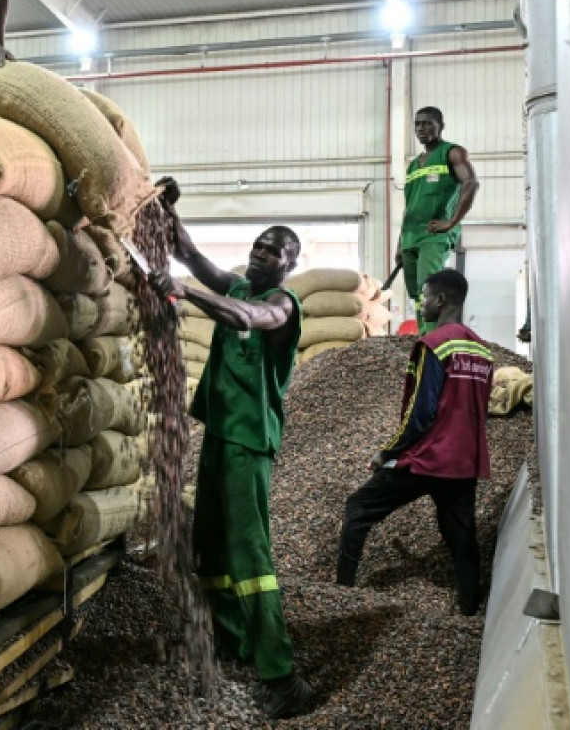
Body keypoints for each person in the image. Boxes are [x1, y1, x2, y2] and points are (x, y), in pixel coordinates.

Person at [149, 187, 317, 721]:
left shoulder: (281, 306)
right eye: (259, 245)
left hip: (249, 442)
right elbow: (190, 254)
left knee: (249, 556)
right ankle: (233, 641)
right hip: (221, 435)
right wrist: (166, 209)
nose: (260, 253)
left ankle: (282, 677)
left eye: (274, 251)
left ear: (290, 265)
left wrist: (185, 292)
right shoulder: (240, 284)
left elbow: (244, 318)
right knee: (212, 548)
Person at [335, 269, 493, 616]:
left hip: (429, 457)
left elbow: (420, 413)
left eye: (424, 297)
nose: (421, 304)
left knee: (359, 509)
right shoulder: (483, 351)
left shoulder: (433, 345)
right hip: (464, 462)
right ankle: (469, 609)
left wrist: (388, 452)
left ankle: (341, 594)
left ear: (440, 300)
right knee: (461, 537)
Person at [396, 106, 479, 334]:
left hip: (433, 234)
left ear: (441, 126)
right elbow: (410, 206)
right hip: (410, 236)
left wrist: (451, 222)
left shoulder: (452, 153)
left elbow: (471, 183)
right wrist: (400, 243)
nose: (421, 128)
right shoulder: (414, 165)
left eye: (428, 123)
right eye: (418, 124)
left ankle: (434, 341)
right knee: (417, 294)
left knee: (430, 288)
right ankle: (424, 337)